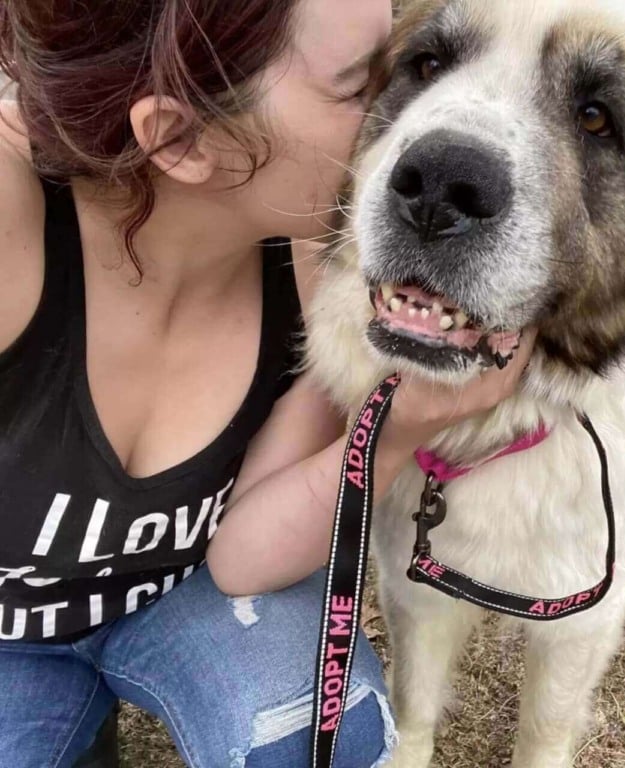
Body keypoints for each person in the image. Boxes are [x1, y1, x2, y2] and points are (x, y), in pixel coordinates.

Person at [0, 1, 536, 766]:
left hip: (189, 599)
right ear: (178, 138)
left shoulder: (314, 247)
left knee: (330, 745)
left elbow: (244, 559)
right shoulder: (12, 221)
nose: (426, 121)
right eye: (363, 87)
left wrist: (397, 429)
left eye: (409, 65)